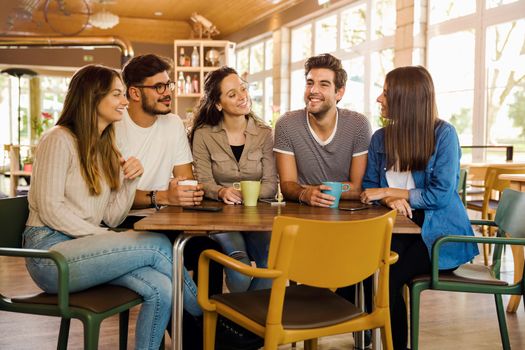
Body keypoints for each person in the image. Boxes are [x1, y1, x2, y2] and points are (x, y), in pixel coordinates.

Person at [22, 65, 172, 350]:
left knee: (162, 288)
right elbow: (50, 208)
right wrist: (103, 236)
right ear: (92, 97)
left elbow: (111, 216)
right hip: (49, 256)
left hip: (85, 250)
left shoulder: (105, 147)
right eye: (117, 94)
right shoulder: (58, 139)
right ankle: (209, 316)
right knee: (157, 245)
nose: (125, 101)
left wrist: (130, 181)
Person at [360, 66, 479, 350]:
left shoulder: (444, 135)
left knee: (389, 275)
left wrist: (389, 191)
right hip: (397, 226)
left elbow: (439, 195)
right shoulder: (380, 138)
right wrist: (389, 199)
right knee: (364, 264)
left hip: (437, 235)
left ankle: (394, 345)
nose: (379, 98)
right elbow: (368, 187)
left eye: (386, 93)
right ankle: (366, 336)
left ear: (406, 98)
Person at [190, 66, 277, 292]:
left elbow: (270, 185)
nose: (242, 96)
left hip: (258, 218)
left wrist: (249, 194)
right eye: (232, 94)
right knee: (239, 272)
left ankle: (245, 323)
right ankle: (241, 319)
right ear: (218, 104)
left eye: (242, 89)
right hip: (221, 218)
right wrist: (220, 192)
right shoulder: (203, 134)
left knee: (272, 264)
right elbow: (204, 181)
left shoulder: (264, 133)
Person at [273, 53, 372, 206]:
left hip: (346, 213)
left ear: (339, 92)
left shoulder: (358, 124)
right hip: (301, 212)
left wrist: (311, 190)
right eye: (309, 83)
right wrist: (305, 194)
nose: (313, 90)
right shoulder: (287, 124)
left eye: (324, 84)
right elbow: (287, 185)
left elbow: (358, 187)